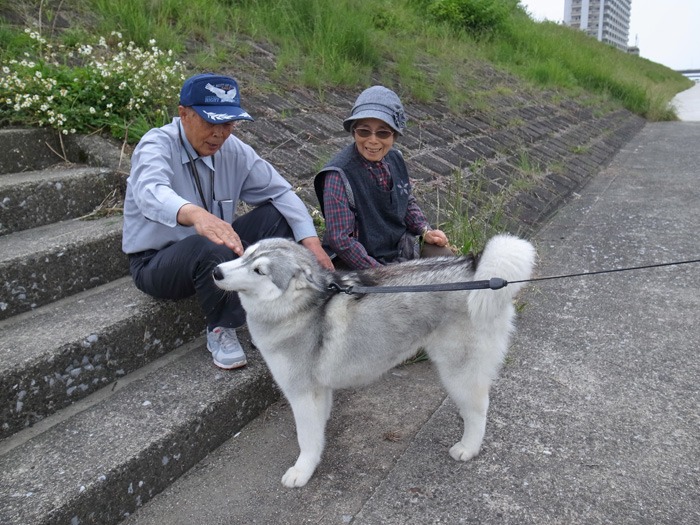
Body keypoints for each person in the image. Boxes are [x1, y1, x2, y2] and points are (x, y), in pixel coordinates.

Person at [122, 73, 333, 370]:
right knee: (209, 244)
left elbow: (281, 191)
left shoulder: (234, 150)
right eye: (211, 122)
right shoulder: (156, 145)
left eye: (228, 123)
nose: (220, 134)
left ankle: (280, 305)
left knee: (277, 216)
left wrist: (311, 243)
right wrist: (197, 215)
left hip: (219, 251)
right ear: (184, 114)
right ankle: (222, 327)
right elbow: (150, 191)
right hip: (157, 262)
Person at [314, 85, 451, 270]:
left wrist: (425, 230)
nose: (372, 140)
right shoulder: (337, 175)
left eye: (383, 133)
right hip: (357, 265)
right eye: (364, 131)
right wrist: (382, 275)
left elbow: (406, 202)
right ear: (354, 131)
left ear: (394, 135)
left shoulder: (395, 158)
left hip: (398, 248)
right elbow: (341, 241)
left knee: (447, 262)